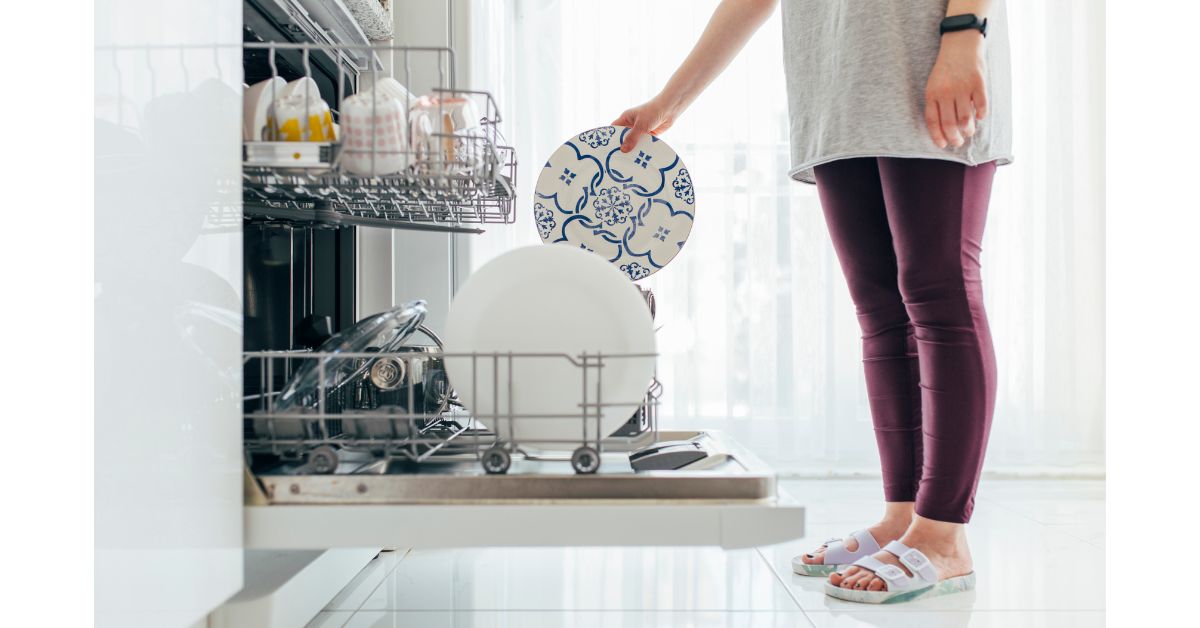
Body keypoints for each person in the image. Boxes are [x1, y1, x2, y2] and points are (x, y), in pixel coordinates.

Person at [613, 0, 1012, 603]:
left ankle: (942, 535)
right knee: (881, 315)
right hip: (835, 84)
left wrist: (965, 32)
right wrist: (670, 102)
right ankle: (903, 516)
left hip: (930, 55)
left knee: (939, 294)